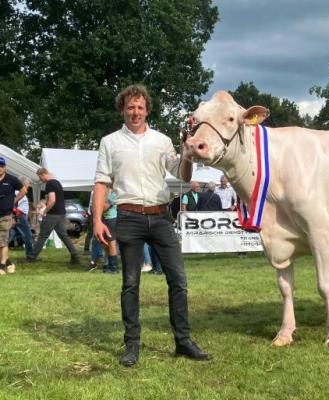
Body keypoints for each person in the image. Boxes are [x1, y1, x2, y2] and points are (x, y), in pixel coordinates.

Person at [93, 84, 211, 367]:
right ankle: (131, 345)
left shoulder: (161, 140)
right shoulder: (109, 142)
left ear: (147, 110)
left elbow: (181, 173)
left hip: (160, 217)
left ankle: (183, 342)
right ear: (123, 109)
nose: (135, 112)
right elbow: (101, 182)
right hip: (129, 216)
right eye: (130, 107)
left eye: (140, 107)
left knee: (178, 281)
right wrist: (97, 219)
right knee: (130, 283)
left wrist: (187, 154)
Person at [27, 168, 81, 264]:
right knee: (63, 236)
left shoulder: (50, 184)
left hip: (52, 214)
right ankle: (75, 256)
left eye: (40, 177)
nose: (40, 180)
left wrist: (45, 211)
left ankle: (32, 256)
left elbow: (52, 200)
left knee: (42, 236)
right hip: (60, 213)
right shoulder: (57, 182)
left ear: (43, 174)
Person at [0, 156, 29, 275]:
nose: (0, 168)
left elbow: (24, 190)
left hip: (6, 215)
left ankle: (1, 267)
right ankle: (9, 263)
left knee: (2, 241)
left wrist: (15, 200)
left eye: (1, 166)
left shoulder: (11, 179)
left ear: (5, 167)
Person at [8, 185, 34, 259]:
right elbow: (12, 205)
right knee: (28, 235)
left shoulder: (18, 192)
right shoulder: (17, 192)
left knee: (10, 236)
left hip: (19, 216)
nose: (28, 186)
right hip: (19, 216)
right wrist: (14, 217)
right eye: (27, 184)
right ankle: (30, 255)